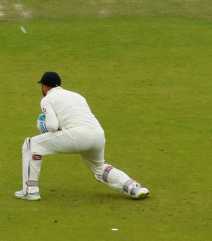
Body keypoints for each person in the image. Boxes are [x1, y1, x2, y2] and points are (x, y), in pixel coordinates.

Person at [17, 71, 150, 201]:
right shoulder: (77, 95)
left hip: (77, 136)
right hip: (98, 135)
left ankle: (30, 191)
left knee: (31, 145)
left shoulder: (47, 99)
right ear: (60, 84)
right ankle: (133, 187)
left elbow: (52, 126)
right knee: (99, 169)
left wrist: (43, 126)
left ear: (44, 86)